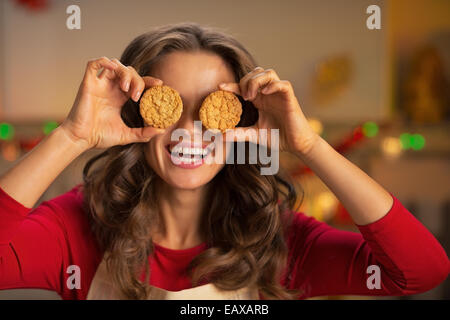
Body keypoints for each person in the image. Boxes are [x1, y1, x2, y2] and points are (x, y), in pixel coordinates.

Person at [0, 23, 448, 300]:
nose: (190, 129)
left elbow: (420, 271)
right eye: (171, 106)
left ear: (242, 121)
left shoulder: (280, 242)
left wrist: (308, 145)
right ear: (140, 111)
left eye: (210, 107)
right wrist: (73, 135)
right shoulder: (78, 228)